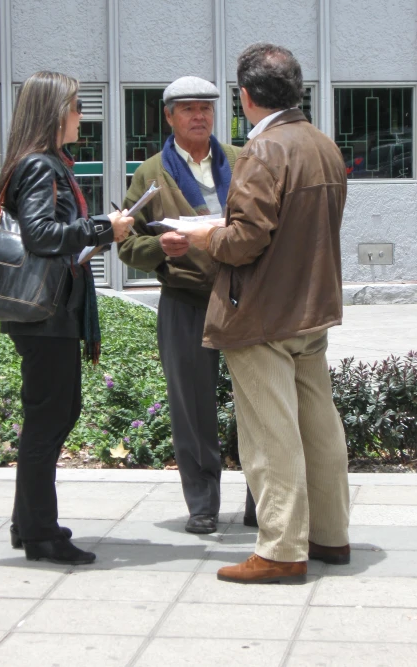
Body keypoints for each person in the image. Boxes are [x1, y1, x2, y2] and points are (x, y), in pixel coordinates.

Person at [182, 43, 350, 583]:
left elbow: (245, 241)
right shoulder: (322, 144)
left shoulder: (264, 150)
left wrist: (206, 235)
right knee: (319, 428)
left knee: (270, 435)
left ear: (246, 97)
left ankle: (281, 550)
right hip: (311, 308)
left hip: (262, 315)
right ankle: (330, 535)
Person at [0, 71, 134, 565]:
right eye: (77, 107)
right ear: (55, 111)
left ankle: (27, 522)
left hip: (47, 312)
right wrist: (104, 225)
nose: (83, 115)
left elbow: (50, 233)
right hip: (45, 314)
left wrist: (99, 231)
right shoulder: (40, 165)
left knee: (48, 416)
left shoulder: (45, 162)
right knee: (50, 419)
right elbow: (40, 235)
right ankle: (40, 534)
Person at [118, 76, 243, 535]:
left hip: (242, 299)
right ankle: (203, 504)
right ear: (168, 116)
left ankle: (261, 498)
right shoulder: (150, 173)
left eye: (206, 108)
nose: (199, 116)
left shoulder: (241, 160)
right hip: (184, 300)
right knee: (192, 408)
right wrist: (159, 249)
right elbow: (126, 242)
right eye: (188, 109)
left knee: (257, 399)